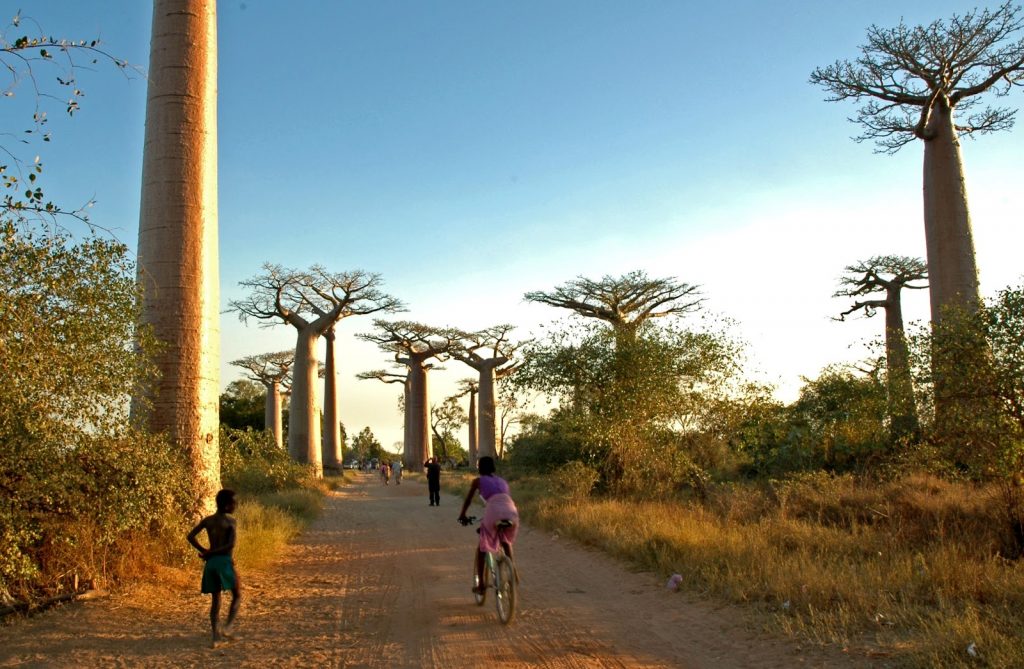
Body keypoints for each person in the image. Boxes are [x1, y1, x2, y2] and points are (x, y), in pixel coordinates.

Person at [187, 489, 242, 648]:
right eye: (233, 503)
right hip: (224, 562)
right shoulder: (231, 522)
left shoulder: (208, 520)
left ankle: (215, 638)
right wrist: (211, 552)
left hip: (211, 564)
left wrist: (205, 551)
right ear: (226, 505)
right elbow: (230, 545)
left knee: (216, 600)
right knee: (237, 594)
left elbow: (190, 536)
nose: (235, 506)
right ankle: (227, 627)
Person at [458, 456, 519, 594]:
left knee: (482, 548)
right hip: (512, 511)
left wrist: (462, 515)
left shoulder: (478, 481)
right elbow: (503, 499)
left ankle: (481, 586)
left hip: (494, 511)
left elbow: (468, 500)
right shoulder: (502, 481)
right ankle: (513, 571)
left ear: (480, 467)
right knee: (505, 541)